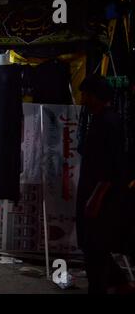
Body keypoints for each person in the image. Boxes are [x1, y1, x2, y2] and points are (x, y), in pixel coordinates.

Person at [76, 74, 129, 293]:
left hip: (101, 195)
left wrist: (96, 197)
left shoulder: (109, 122)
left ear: (96, 96)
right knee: (93, 244)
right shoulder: (98, 119)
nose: (84, 100)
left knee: (95, 246)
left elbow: (111, 166)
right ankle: (119, 282)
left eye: (86, 95)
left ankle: (99, 288)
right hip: (92, 190)